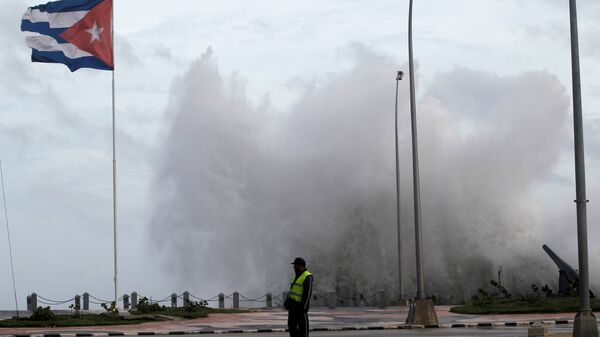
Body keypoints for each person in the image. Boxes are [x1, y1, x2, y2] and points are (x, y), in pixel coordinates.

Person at [285, 257, 313, 337]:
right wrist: (287, 302)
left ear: (301, 266)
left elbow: (307, 294)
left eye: (295, 266)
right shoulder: (295, 276)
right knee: (292, 327)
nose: (294, 267)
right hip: (292, 307)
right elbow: (292, 290)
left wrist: (304, 308)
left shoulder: (307, 276)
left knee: (303, 331)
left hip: (300, 308)